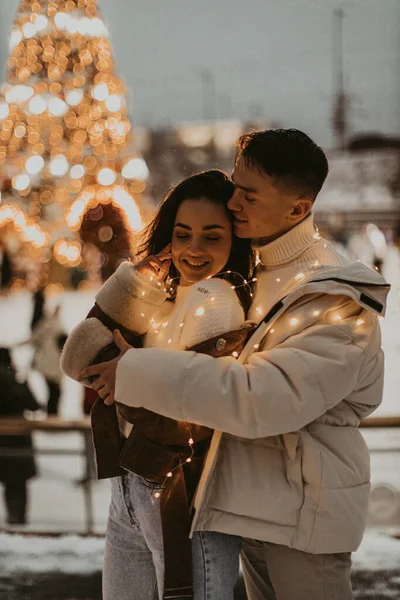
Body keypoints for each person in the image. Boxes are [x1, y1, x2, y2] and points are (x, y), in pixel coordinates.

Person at [81, 129, 390, 600]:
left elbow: (263, 397)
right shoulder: (251, 271)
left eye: (248, 193)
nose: (233, 201)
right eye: (234, 183)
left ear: (297, 208)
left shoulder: (334, 294)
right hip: (250, 506)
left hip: (304, 517)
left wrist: (133, 372)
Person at [62, 170, 255, 600]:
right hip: (129, 489)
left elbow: (186, 415)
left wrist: (127, 378)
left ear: (234, 240)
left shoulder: (217, 301)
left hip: (180, 497)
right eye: (183, 234)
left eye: (212, 236)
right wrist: (135, 282)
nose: (194, 249)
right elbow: (76, 359)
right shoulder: (162, 296)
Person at [0, 348, 40, 525]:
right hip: (19, 440)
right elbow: (34, 405)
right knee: (18, 484)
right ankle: (18, 519)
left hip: (2, 441)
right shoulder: (15, 381)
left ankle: (13, 518)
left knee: (10, 483)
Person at [31, 304, 65, 415]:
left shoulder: (44, 326)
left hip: (45, 365)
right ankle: (53, 414)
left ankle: (51, 413)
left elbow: (33, 340)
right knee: (56, 392)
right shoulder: (59, 326)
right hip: (55, 365)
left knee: (52, 391)